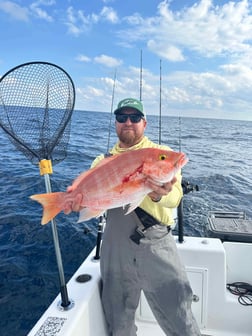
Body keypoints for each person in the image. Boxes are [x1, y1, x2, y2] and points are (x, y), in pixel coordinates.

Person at [66, 98, 201, 336]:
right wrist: (75, 204)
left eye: (135, 118)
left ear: (144, 123)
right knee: (118, 319)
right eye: (121, 118)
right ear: (116, 123)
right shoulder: (101, 161)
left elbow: (175, 197)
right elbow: (91, 200)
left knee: (179, 313)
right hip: (114, 246)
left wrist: (159, 195)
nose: (128, 122)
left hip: (156, 243)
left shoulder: (163, 155)